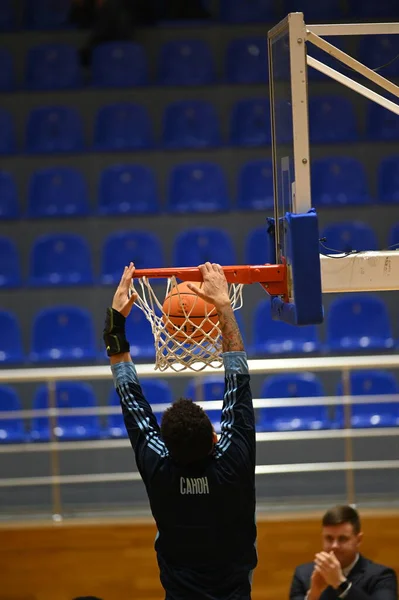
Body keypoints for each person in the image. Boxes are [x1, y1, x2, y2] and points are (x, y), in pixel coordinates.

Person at [103, 261, 257, 600]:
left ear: (166, 446)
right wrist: (223, 303)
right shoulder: (231, 460)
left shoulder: (161, 465)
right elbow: (238, 382)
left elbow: (130, 400)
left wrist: (116, 320)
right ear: (216, 438)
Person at [289, 504, 398, 600]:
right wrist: (313, 595)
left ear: (358, 540)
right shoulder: (303, 575)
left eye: (342, 539)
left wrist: (341, 584)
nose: (334, 546)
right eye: (329, 538)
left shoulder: (381, 576)